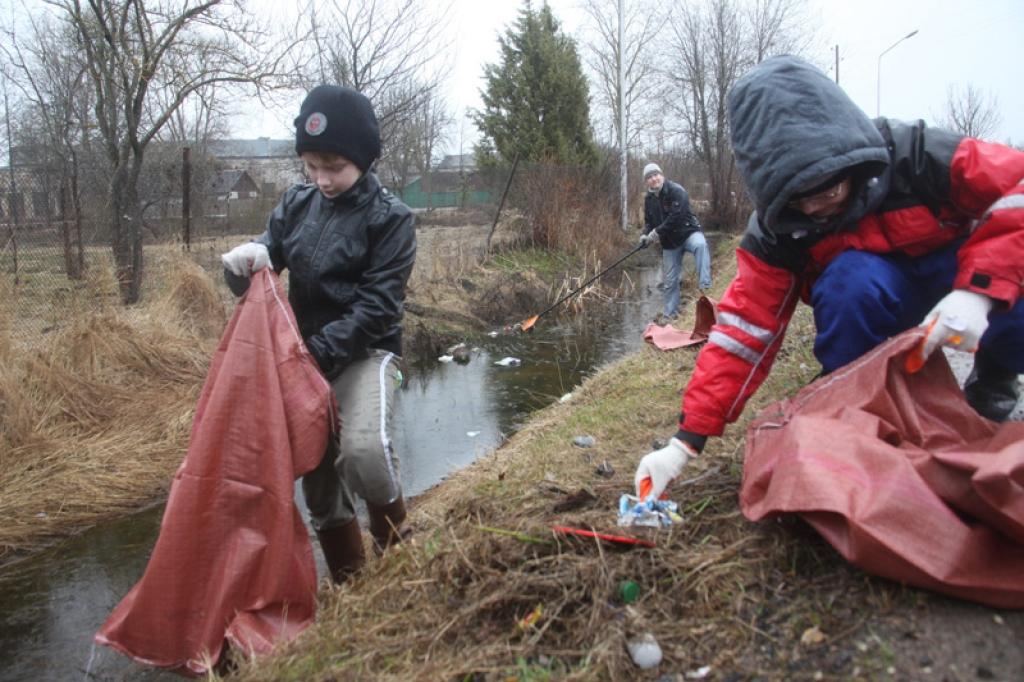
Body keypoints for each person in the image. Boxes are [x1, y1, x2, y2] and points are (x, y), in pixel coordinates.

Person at [635, 55, 1024, 501]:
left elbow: (1016, 185)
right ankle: (856, 402)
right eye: (801, 200)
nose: (817, 208)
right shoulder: (778, 228)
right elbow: (744, 330)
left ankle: (996, 375)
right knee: (846, 283)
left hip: (960, 282)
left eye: (828, 191)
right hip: (876, 298)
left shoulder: (915, 153)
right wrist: (686, 442)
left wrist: (979, 294)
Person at [220, 85, 417, 583]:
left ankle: (397, 561)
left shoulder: (391, 219)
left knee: (364, 452)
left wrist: (315, 356)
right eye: (311, 165)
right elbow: (265, 263)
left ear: (363, 160)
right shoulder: (296, 205)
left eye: (334, 166)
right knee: (321, 484)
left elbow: (378, 307)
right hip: (303, 357)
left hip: (365, 354)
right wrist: (243, 265)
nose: (322, 179)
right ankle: (353, 586)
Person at [639, 163, 712, 320]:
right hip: (670, 243)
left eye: (655, 175)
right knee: (670, 281)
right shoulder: (649, 199)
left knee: (700, 245)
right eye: (649, 177)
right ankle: (670, 314)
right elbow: (648, 222)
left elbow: (676, 217)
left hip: (689, 233)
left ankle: (705, 286)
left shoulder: (676, 190)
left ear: (662, 175)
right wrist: (645, 235)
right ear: (647, 182)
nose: (653, 179)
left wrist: (655, 233)